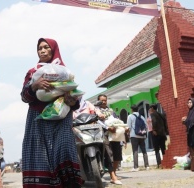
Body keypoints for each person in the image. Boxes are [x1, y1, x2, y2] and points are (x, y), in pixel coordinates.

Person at [20, 38, 83, 187]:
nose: (42, 50)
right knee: (40, 155)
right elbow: (24, 97)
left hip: (61, 120)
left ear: (53, 49)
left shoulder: (65, 72)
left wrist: (73, 101)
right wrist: (34, 86)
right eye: (39, 48)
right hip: (38, 119)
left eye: (46, 47)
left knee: (64, 150)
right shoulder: (33, 72)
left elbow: (75, 99)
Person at [96, 94, 123, 185]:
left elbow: (117, 120)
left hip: (114, 135)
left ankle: (114, 173)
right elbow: (97, 121)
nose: (104, 102)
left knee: (117, 154)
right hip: (104, 135)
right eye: (102, 100)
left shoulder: (111, 111)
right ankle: (112, 175)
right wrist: (107, 127)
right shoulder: (96, 111)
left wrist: (122, 126)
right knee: (109, 154)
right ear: (98, 101)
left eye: (105, 100)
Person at [127, 105, 150, 172]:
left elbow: (129, 127)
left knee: (135, 151)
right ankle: (147, 166)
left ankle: (136, 167)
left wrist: (128, 134)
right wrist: (144, 134)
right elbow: (146, 126)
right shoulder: (142, 116)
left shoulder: (130, 116)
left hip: (134, 135)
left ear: (132, 109)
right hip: (142, 135)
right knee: (144, 151)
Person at [149, 104, 169, 169]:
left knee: (157, 149)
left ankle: (159, 163)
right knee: (163, 149)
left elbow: (154, 121)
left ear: (152, 108)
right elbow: (165, 123)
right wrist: (165, 131)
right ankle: (166, 162)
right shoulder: (161, 114)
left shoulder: (153, 114)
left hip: (156, 134)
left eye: (150, 108)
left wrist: (154, 129)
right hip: (162, 134)